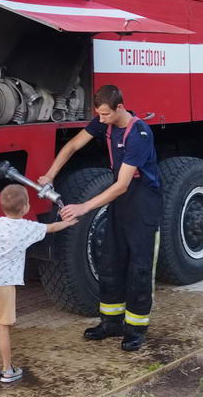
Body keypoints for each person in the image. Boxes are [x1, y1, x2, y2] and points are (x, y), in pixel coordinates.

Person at [39, 84, 161, 352]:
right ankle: (111, 322)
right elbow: (72, 145)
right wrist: (50, 174)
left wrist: (84, 207)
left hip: (142, 201)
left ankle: (136, 329)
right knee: (110, 261)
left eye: (105, 115)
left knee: (139, 268)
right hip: (120, 201)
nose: (101, 119)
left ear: (119, 107)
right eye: (99, 114)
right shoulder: (104, 121)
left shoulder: (138, 133)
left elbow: (123, 184)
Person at [0, 185, 77, 383]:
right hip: (5, 285)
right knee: (2, 328)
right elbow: (51, 228)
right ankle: (7, 370)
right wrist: (69, 223)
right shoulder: (27, 228)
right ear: (26, 207)